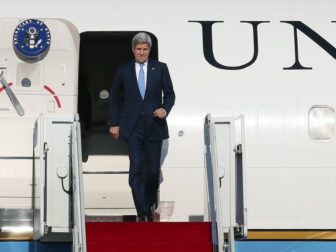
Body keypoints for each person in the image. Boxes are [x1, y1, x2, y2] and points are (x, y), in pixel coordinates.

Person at [108, 32, 175, 221]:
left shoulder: (160, 68)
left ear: (149, 50)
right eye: (139, 49)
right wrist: (114, 123)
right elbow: (114, 98)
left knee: (153, 172)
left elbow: (170, 94)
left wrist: (165, 108)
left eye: (145, 49)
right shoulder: (123, 70)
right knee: (136, 168)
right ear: (133, 50)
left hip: (155, 125)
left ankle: (147, 204)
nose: (142, 52)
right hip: (132, 127)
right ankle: (143, 211)